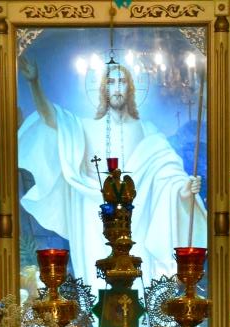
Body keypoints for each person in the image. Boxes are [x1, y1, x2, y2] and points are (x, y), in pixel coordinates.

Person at [17, 57, 207, 290]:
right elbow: (51, 118)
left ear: (130, 88)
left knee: (139, 285)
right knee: (98, 285)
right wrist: (34, 83)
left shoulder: (147, 130)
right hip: (93, 220)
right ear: (103, 90)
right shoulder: (86, 127)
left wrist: (184, 189)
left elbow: (167, 172)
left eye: (122, 82)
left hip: (138, 220)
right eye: (111, 82)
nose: (117, 88)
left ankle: (141, 315)